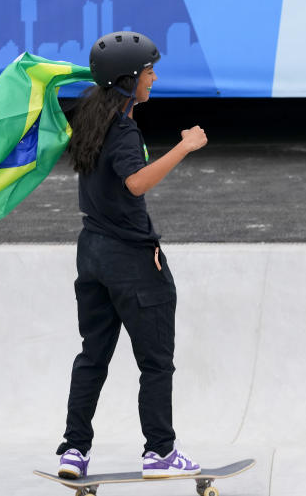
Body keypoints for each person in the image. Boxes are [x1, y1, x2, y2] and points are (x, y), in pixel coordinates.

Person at [55, 31, 208, 480]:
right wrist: (184, 146)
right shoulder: (122, 130)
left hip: (92, 254)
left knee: (92, 356)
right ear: (127, 79)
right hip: (131, 259)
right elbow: (136, 183)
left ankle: (73, 450)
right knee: (156, 362)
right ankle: (160, 451)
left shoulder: (88, 112)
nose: (155, 78)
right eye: (149, 71)